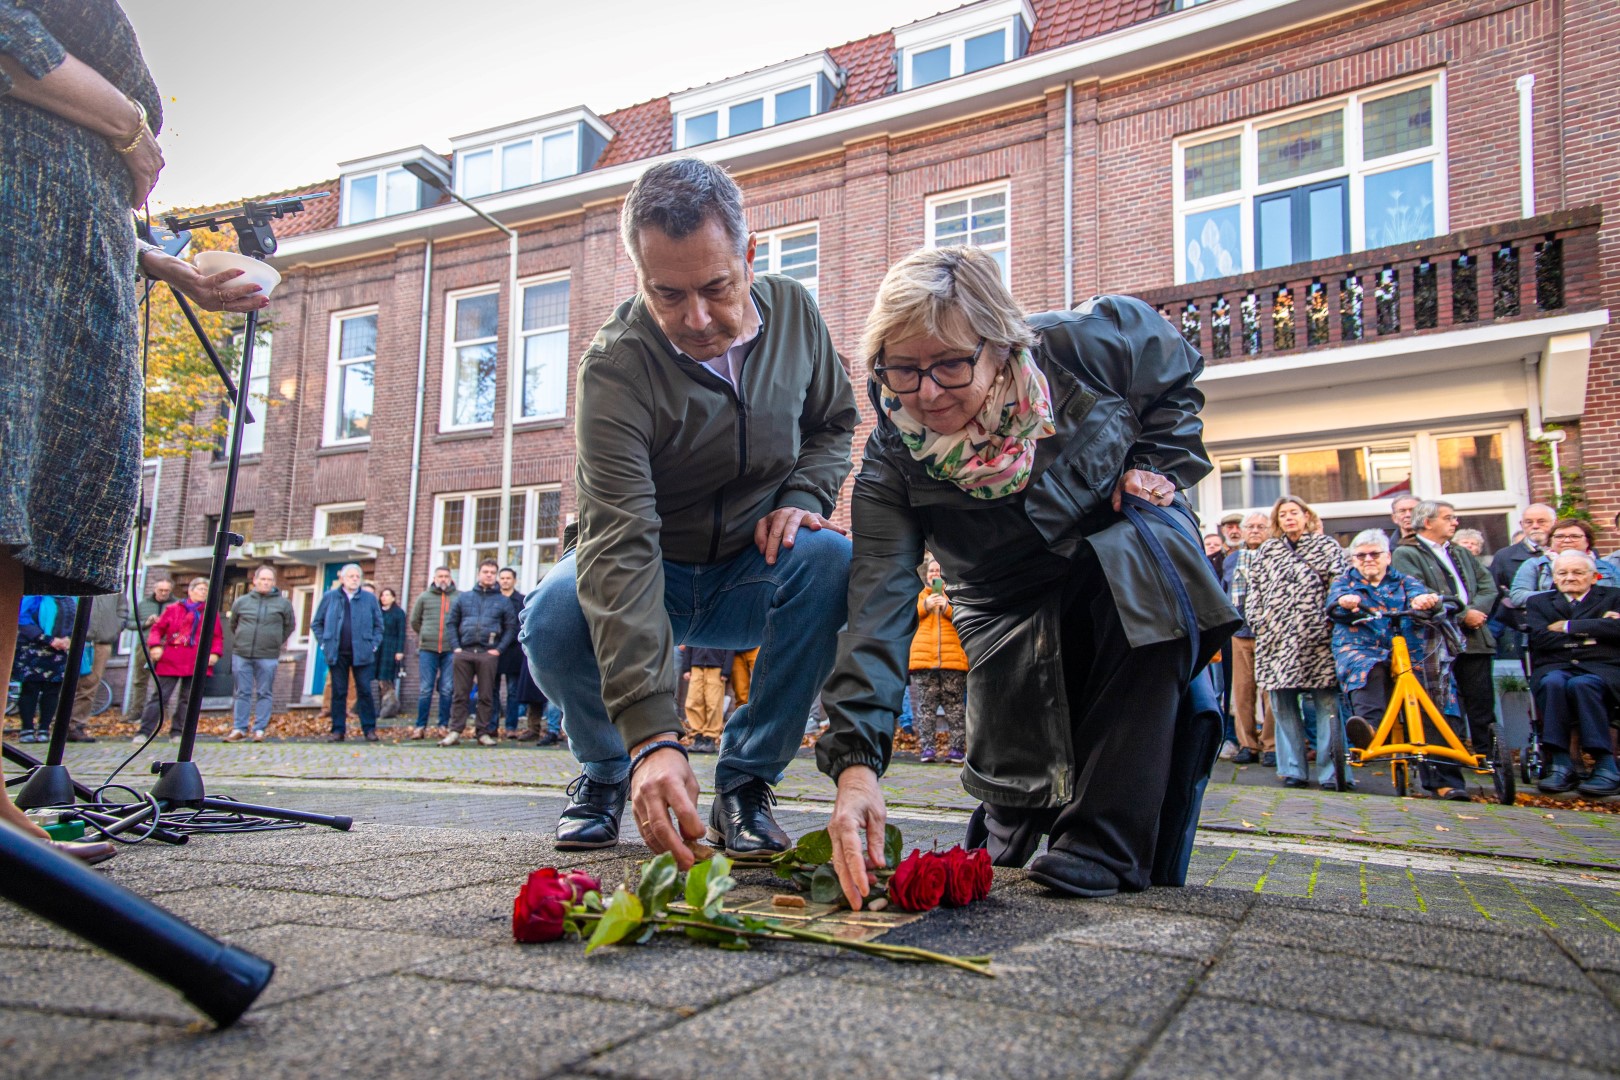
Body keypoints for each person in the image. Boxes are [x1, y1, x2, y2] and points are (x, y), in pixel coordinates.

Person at [820, 248, 1237, 906]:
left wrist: (1156, 459)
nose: (926, 392)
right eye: (902, 369)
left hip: (1125, 549)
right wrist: (855, 766)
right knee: (1007, 824)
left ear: (1000, 342)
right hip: (1004, 604)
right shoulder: (890, 464)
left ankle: (1104, 842)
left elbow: (1171, 375)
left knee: (1140, 570)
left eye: (951, 364)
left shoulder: (1083, 347)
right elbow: (877, 608)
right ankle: (1011, 825)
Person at [521, 158, 857, 860]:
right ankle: (611, 769)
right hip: (655, 567)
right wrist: (652, 735)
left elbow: (833, 421)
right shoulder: (616, 367)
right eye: (666, 294)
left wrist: (802, 497)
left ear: (750, 255)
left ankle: (747, 782)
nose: (696, 320)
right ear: (638, 276)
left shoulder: (795, 312)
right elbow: (619, 540)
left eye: (716, 288)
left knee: (831, 558)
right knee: (551, 614)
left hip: (751, 566)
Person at [0, 3, 263, 858]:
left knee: (12, 510)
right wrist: (128, 127)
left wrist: (159, 262)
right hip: (17, 242)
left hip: (64, 256)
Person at [1392, 499, 1497, 799]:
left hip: (1474, 639)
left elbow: (1487, 585)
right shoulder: (1406, 553)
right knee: (1441, 706)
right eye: (1449, 518)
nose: (1455, 523)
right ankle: (1446, 770)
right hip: (1435, 640)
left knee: (1480, 703)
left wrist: (1476, 611)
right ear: (1427, 522)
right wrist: (1464, 614)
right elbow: (1419, 591)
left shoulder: (1460, 551)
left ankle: (1487, 761)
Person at [1245, 496, 1347, 790]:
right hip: (1275, 639)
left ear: (1306, 515)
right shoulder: (1268, 549)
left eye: (1294, 513)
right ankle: (1293, 769)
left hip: (1317, 637)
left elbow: (1339, 584)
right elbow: (1255, 589)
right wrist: (1258, 620)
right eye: (1283, 514)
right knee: (1282, 704)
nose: (1289, 518)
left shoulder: (1326, 546)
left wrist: (1329, 620)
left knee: (1326, 703)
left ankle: (1332, 773)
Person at [1326, 531, 1444, 765]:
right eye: (1360, 556)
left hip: (1406, 647)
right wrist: (1345, 603)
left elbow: (1420, 597)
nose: (1368, 559)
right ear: (1352, 560)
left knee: (1424, 691)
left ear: (1388, 557)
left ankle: (1442, 776)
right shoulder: (1344, 582)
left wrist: (1423, 601)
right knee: (1368, 669)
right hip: (1361, 646)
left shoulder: (1404, 581)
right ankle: (1368, 731)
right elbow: (1335, 605)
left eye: (1374, 554)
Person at [1526, 550, 1620, 797]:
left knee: (1584, 684)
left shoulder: (1614, 597)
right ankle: (1560, 762)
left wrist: (1569, 627)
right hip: (1555, 667)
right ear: (1554, 578)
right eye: (1563, 573)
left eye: (1578, 572)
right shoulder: (1539, 602)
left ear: (1594, 576)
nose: (1570, 577)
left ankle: (1605, 763)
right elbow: (1540, 638)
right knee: (1554, 683)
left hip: (1603, 669)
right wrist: (1595, 633)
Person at [443, 559, 515, 747]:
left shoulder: (503, 601)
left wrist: (498, 650)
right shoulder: (464, 598)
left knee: (486, 695)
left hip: (487, 654)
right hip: (464, 652)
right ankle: (455, 731)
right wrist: (456, 647)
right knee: (460, 694)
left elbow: (511, 628)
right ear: (479, 574)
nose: (489, 575)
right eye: (485, 571)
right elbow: (451, 623)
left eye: (492, 572)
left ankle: (482, 732)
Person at [1224, 511, 1277, 765]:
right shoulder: (1231, 560)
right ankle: (1247, 744)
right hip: (1239, 632)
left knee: (1270, 692)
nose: (1255, 530)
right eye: (1250, 527)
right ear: (1243, 531)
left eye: (1260, 526)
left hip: (1270, 633)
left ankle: (1271, 746)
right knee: (1242, 691)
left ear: (1269, 530)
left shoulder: (1277, 556)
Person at [138, 577, 221, 741]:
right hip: (172, 658)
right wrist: (155, 646)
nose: (204, 593)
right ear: (190, 591)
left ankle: (177, 732)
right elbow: (157, 629)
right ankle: (144, 731)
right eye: (201, 589)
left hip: (196, 660)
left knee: (188, 699)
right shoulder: (174, 609)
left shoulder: (211, 612)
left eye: (206, 590)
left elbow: (217, 636)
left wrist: (215, 653)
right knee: (161, 695)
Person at [310, 564, 383, 743]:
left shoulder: (369, 599)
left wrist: (373, 645)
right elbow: (316, 623)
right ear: (342, 579)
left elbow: (379, 625)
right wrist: (324, 644)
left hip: (362, 653)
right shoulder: (330, 597)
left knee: (365, 691)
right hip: (337, 653)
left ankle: (369, 730)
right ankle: (338, 730)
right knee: (339, 691)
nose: (354, 579)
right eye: (350, 576)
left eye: (357, 576)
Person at [908, 558, 967, 765]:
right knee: (926, 708)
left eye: (938, 571)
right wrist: (926, 605)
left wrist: (948, 608)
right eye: (931, 571)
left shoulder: (954, 596)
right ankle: (927, 750)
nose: (934, 574)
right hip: (924, 661)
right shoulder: (918, 596)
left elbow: (966, 619)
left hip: (952, 662)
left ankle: (957, 750)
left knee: (955, 708)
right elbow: (908, 617)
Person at [224, 565, 293, 742]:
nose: (265, 582)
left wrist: (275, 641)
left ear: (274, 582)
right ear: (255, 580)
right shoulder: (242, 601)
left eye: (269, 580)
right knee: (242, 692)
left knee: (264, 692)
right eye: (262, 579)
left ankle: (259, 729)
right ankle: (239, 728)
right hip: (242, 653)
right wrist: (242, 639)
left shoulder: (283, 604)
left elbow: (289, 626)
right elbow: (233, 624)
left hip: (268, 655)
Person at [11, 595, 80, 743]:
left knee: (52, 690)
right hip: (33, 648)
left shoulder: (71, 598)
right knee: (30, 688)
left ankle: (44, 729)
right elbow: (22, 618)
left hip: (59, 650)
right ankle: (27, 729)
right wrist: (48, 639)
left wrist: (68, 638)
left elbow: (79, 620)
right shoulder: (34, 597)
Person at [1509, 518, 1620, 607]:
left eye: (1575, 536)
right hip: (1550, 626)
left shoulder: (1607, 567)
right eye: (1559, 536)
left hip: (1597, 626)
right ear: (1551, 541)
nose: (1566, 540)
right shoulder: (1535, 565)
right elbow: (1518, 597)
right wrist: (1562, 596)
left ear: (1588, 541)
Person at [67, 590, 125, 741]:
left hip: (101, 643)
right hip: (77, 641)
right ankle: (57, 724)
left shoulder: (114, 587)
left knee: (90, 685)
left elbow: (123, 610)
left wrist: (115, 627)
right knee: (68, 684)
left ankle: (76, 725)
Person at [408, 565, 458, 739]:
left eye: (446, 576)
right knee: (425, 689)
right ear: (434, 578)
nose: (443, 579)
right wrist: (425, 634)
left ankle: (443, 725)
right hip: (427, 649)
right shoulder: (424, 597)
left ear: (450, 578)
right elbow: (415, 620)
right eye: (440, 576)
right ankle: (420, 726)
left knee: (447, 688)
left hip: (450, 649)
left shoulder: (457, 597)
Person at [123, 577, 174, 723]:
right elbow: (129, 623)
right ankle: (136, 712)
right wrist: (146, 622)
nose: (164, 593)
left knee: (164, 681)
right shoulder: (143, 604)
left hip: (166, 646)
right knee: (140, 679)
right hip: (144, 645)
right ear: (154, 589)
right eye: (161, 590)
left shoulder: (175, 605)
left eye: (167, 591)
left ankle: (162, 713)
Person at [680, 645, 733, 754]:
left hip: (717, 667)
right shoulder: (696, 627)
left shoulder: (724, 628)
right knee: (693, 702)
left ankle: (710, 739)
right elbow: (689, 644)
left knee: (714, 704)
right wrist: (686, 668)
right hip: (696, 666)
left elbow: (730, 647)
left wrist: (726, 670)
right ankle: (697, 738)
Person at [494, 568, 525, 738]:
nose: (505, 581)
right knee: (492, 690)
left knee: (513, 691)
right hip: (494, 651)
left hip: (514, 652)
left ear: (514, 581)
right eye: (502, 578)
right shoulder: (493, 599)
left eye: (508, 578)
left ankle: (511, 726)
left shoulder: (521, 600)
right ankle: (492, 725)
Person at [374, 586, 407, 719]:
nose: (384, 598)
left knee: (386, 677)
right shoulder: (377, 611)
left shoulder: (398, 613)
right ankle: (381, 706)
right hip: (378, 647)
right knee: (378, 678)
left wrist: (400, 650)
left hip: (390, 647)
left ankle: (390, 707)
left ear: (393, 598)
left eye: (387, 595)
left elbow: (401, 633)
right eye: (382, 595)